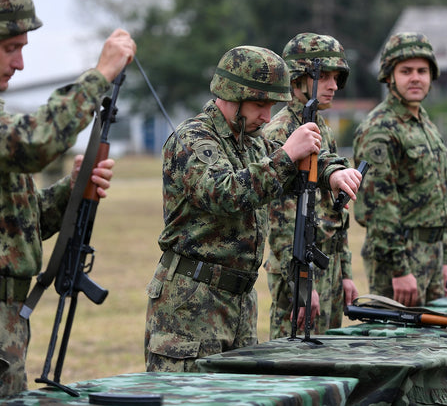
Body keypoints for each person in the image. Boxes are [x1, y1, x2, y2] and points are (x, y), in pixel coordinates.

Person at [144, 45, 362, 372]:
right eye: (260, 105)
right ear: (231, 95)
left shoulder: (251, 140)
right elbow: (225, 193)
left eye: (272, 106)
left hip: (240, 301)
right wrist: (287, 156)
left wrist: (331, 172)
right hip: (191, 302)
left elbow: (295, 165)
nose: (266, 116)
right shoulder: (194, 140)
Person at [0, 0, 136, 398]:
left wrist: (69, 192)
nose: (20, 63)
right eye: (9, 48)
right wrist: (99, 76)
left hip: (6, 321)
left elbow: (17, 224)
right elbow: (34, 141)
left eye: (23, 48)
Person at [263, 32, 359, 339]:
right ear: (297, 79)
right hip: (296, 268)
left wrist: (345, 272)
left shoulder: (321, 128)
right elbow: (279, 221)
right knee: (293, 364)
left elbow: (335, 211)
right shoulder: (280, 132)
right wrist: (301, 285)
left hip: (326, 266)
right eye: (325, 77)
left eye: (337, 77)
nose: (333, 85)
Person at [353, 32, 447, 307]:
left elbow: (437, 199)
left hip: (430, 254)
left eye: (423, 71)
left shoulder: (425, 125)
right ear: (389, 76)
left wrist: (444, 260)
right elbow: (378, 207)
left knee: (433, 345)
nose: (416, 78)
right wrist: (399, 269)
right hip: (399, 258)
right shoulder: (380, 129)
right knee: (398, 346)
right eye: (406, 71)